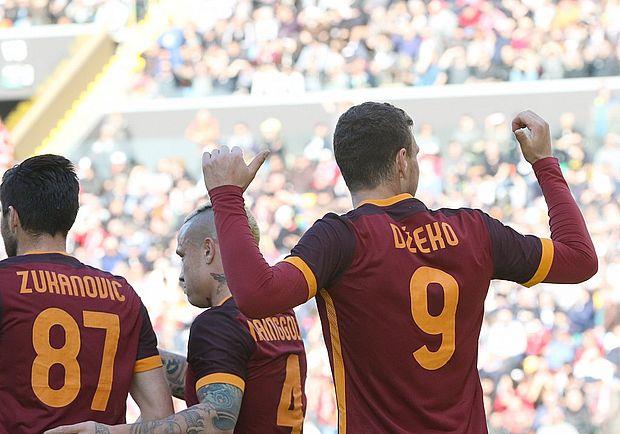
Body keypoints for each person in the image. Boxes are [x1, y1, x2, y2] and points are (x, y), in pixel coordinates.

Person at [199, 103, 597, 433]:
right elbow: (580, 258)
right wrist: (544, 162)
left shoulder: (341, 238)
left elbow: (257, 295)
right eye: (417, 153)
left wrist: (227, 197)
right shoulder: (474, 230)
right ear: (402, 161)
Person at [48, 203, 307, 433]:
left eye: (183, 257)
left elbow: (217, 421)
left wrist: (109, 432)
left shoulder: (218, 323)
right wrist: (121, 348)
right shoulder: (280, 312)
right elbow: (222, 377)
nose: (181, 275)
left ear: (208, 250)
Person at [0, 155, 173, 433]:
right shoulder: (122, 295)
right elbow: (160, 413)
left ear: (13, 218)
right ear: (70, 216)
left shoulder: (5, 284)